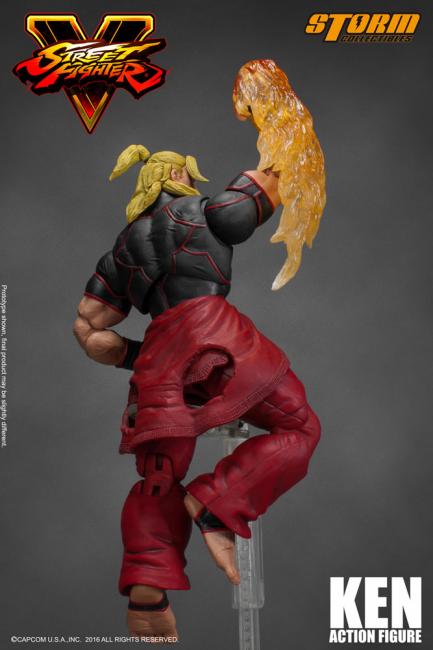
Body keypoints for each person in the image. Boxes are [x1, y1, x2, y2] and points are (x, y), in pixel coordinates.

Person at [73, 145, 321, 639]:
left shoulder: (122, 249)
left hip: (160, 361)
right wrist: (286, 154)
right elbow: (257, 193)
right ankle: (218, 503)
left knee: (159, 478)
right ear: (179, 176)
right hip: (218, 342)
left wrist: (138, 355)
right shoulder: (202, 211)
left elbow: (89, 329)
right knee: (300, 427)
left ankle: (148, 592)